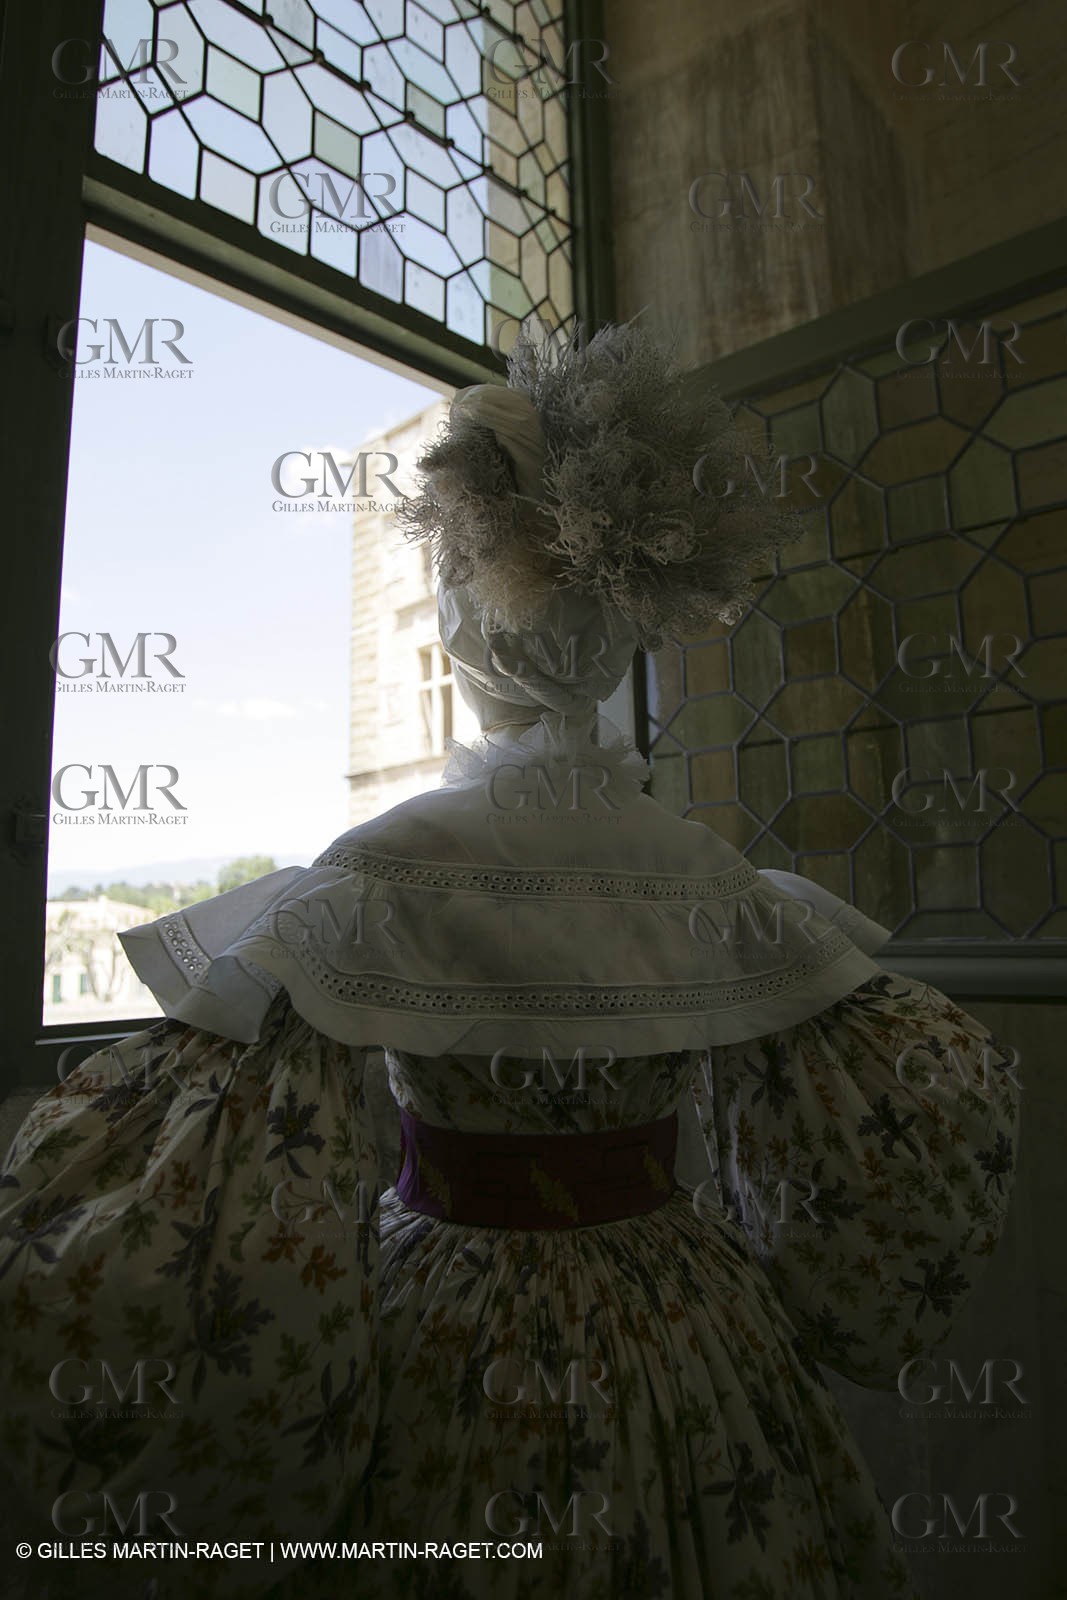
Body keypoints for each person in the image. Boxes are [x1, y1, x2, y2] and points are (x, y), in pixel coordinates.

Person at [0, 325, 1017, 1600]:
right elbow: (931, 1098)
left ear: (466, 621)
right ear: (614, 626)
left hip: (450, 1329)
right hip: (688, 1325)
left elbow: (205, 1222)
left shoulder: (381, 872)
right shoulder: (702, 870)